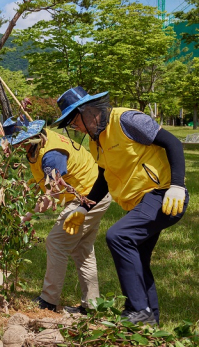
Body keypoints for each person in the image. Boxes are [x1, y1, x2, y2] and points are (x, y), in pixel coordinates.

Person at [53, 86, 188, 325]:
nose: (77, 129)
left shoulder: (127, 119)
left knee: (119, 236)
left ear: (90, 111)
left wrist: (177, 185)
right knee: (137, 259)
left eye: (76, 122)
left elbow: (173, 143)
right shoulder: (97, 142)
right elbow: (104, 178)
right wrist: (84, 207)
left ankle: (137, 311)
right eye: (72, 126)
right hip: (141, 202)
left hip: (164, 194)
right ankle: (150, 322)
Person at [0, 117, 112, 314]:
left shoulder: (52, 155)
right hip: (92, 193)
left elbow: (51, 196)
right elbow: (43, 179)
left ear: (27, 139)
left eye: (15, 143)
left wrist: (26, 216)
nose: (12, 148)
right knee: (82, 251)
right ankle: (92, 306)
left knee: (56, 241)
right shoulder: (40, 144)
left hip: (89, 196)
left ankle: (48, 301)